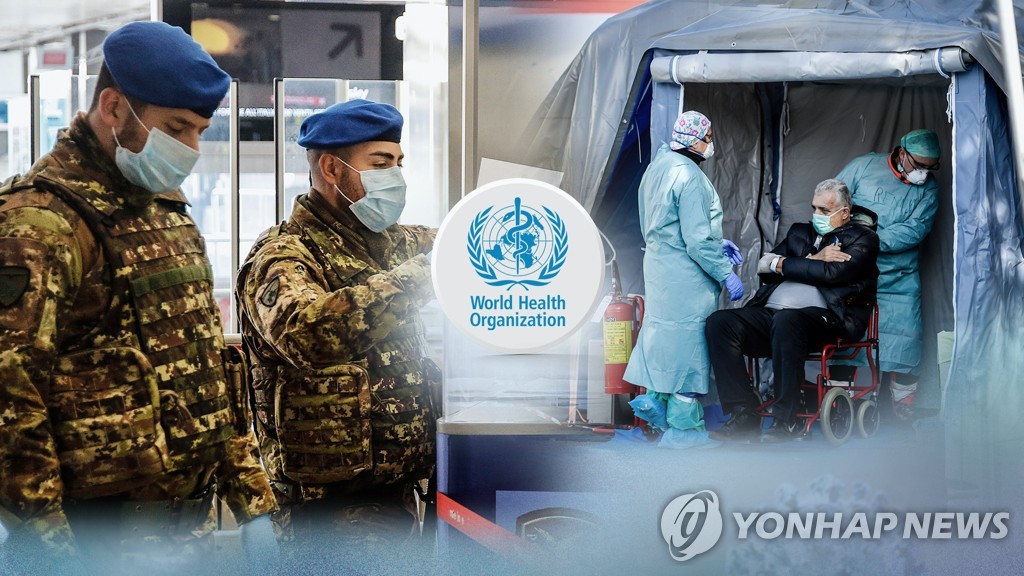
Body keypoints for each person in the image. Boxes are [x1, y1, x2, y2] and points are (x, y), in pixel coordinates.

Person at [0, 21, 277, 576]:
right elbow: (11, 403)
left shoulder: (165, 208)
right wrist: (52, 555)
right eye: (177, 128)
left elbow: (206, 367)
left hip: (187, 535)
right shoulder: (39, 222)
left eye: (200, 130)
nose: (192, 148)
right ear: (113, 107)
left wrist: (253, 503)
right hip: (93, 539)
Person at [235, 99, 438, 573]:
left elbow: (463, 242)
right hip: (325, 512)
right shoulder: (284, 255)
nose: (396, 177)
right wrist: (422, 276)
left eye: (399, 163)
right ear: (331, 168)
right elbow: (308, 334)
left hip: (396, 495)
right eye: (381, 164)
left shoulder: (390, 243)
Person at [706, 179, 879, 443]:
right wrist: (813, 259)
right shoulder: (800, 232)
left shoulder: (863, 238)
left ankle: (786, 420)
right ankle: (743, 414)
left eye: (824, 210)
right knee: (720, 322)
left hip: (828, 319)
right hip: (775, 315)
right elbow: (763, 266)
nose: (816, 215)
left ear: (845, 213)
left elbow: (832, 273)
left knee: (787, 320)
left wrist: (783, 264)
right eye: (814, 208)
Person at [622, 110, 744, 446]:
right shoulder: (689, 176)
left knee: (664, 341)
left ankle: (658, 407)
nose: (711, 143)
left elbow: (667, 224)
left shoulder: (659, 166)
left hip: (660, 269)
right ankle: (683, 432)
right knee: (688, 350)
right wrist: (725, 271)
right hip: (686, 277)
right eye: (708, 137)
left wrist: (716, 241)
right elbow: (696, 241)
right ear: (695, 139)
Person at [836, 129, 940, 420]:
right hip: (855, 274)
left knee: (906, 344)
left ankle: (901, 416)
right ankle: (842, 410)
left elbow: (916, 229)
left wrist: (870, 240)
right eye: (919, 165)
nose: (923, 173)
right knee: (847, 341)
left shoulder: (929, 189)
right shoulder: (863, 167)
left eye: (930, 168)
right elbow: (833, 202)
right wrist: (851, 241)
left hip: (899, 279)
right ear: (902, 153)